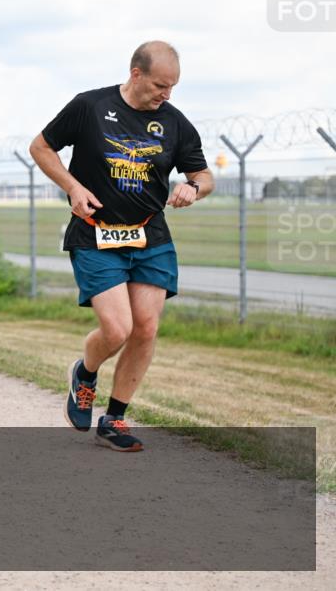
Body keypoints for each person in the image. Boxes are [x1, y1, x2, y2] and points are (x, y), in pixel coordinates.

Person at [29, 41, 214, 452]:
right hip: (95, 234)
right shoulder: (90, 107)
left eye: (173, 87)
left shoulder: (174, 122)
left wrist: (193, 187)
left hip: (150, 235)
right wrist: (73, 187)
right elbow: (40, 147)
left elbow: (204, 175)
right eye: (160, 85)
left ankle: (114, 418)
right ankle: (86, 372)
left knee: (146, 328)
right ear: (136, 73)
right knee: (117, 329)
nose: (166, 94)